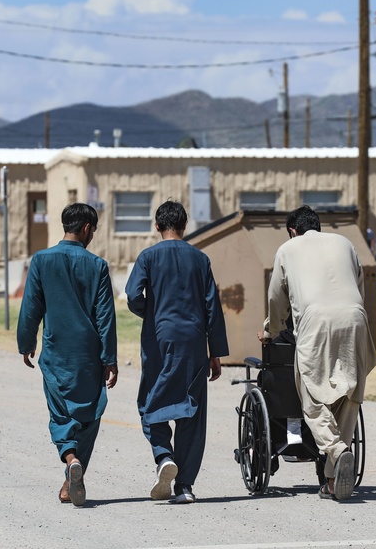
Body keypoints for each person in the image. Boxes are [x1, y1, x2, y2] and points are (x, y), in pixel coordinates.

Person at [258, 205, 376, 501]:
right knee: (349, 392)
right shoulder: (345, 244)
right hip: (355, 317)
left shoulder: (288, 248)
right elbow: (359, 285)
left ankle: (337, 450)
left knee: (310, 394)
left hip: (316, 320)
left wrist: (271, 330)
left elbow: (276, 298)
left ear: (292, 230)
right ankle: (334, 481)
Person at [125, 201, 228, 504]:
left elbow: (133, 295)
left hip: (160, 338)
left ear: (157, 226)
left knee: (150, 401)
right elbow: (212, 307)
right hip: (194, 341)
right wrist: (216, 352)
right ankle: (184, 485)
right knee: (192, 411)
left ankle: (163, 456)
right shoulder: (200, 259)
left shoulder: (148, 257)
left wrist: (152, 312)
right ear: (185, 226)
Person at [17, 203, 118, 507]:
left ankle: (70, 460)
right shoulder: (97, 265)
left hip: (56, 352)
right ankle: (70, 478)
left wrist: (26, 342)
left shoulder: (41, 261)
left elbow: (30, 307)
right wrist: (110, 357)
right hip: (88, 356)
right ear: (87, 228)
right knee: (89, 415)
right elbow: (105, 317)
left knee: (60, 413)